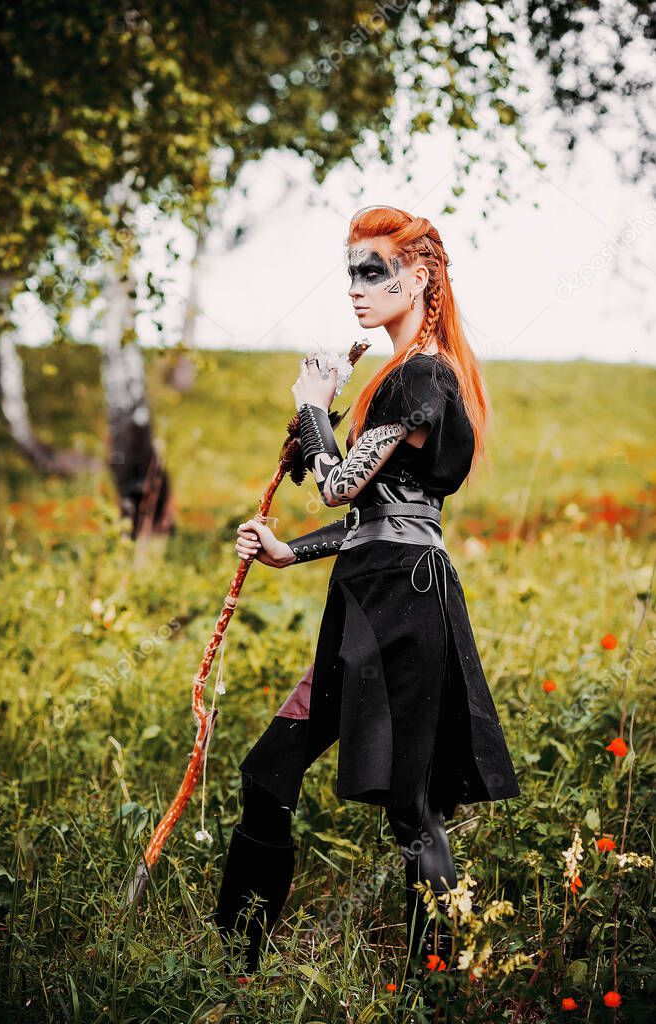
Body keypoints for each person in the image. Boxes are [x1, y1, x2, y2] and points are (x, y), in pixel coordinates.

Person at [213, 205, 521, 977]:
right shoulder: (396, 373)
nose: (355, 287)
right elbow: (373, 517)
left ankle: (436, 984)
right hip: (368, 597)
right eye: (349, 270)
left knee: (411, 811)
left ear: (417, 277)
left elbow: (340, 487)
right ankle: (232, 961)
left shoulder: (422, 373)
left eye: (371, 270)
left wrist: (314, 403)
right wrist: (290, 553)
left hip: (403, 609)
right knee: (268, 770)